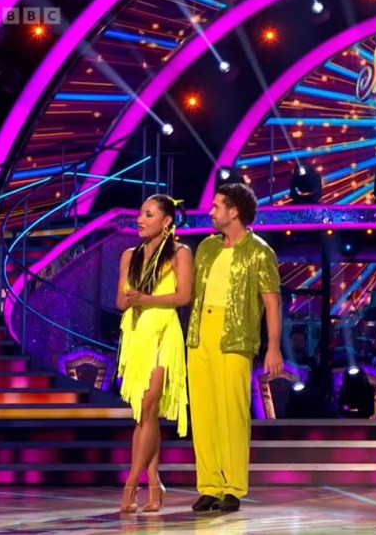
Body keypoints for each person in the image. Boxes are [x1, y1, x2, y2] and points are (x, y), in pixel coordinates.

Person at [187, 183, 282, 512]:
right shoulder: (206, 248)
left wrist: (273, 348)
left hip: (236, 335)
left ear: (234, 212)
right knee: (203, 412)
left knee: (233, 412)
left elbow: (272, 303)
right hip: (200, 335)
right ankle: (209, 485)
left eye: (217, 206)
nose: (211, 212)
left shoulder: (260, 251)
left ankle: (233, 487)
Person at [115, 195, 192, 513]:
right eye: (139, 214)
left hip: (163, 332)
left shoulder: (180, 252)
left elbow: (183, 295)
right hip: (137, 333)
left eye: (148, 214)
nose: (140, 219)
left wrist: (146, 299)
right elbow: (120, 301)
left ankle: (130, 483)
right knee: (144, 414)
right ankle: (154, 481)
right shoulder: (128, 255)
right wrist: (133, 299)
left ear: (167, 221)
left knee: (148, 405)